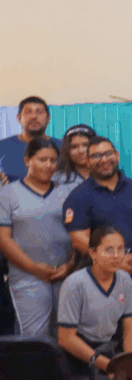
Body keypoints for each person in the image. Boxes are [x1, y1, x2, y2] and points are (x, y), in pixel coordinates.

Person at [39, 227, 132, 380]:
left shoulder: (124, 280)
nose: (116, 255)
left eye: (121, 249)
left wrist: (127, 362)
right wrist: (106, 365)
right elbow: (66, 338)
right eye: (108, 250)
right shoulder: (75, 284)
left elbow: (129, 324)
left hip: (108, 348)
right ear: (92, 253)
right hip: (77, 354)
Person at [63, 136, 132, 346]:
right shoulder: (78, 196)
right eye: (95, 156)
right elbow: (78, 238)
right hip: (98, 281)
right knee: (104, 339)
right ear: (87, 162)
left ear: (116, 156)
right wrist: (115, 262)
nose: (103, 159)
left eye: (107, 154)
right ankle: (106, 377)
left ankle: (131, 378)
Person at [0, 138, 74, 339]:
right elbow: (3, 239)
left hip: (64, 276)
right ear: (27, 160)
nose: (49, 165)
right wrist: (33, 267)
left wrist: (70, 265)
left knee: (67, 337)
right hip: (27, 277)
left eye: (53, 160)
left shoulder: (66, 193)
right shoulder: (8, 194)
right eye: (42, 159)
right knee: (34, 339)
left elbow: (79, 232)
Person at [0, 96, 60, 185]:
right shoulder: (3, 146)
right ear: (19, 118)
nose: (34, 116)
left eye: (39, 112)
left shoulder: (62, 146)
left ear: (48, 118)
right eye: (28, 112)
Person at [53, 124, 96, 189]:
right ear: (67, 150)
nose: (81, 151)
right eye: (74, 147)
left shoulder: (109, 177)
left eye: (85, 145)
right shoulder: (56, 180)